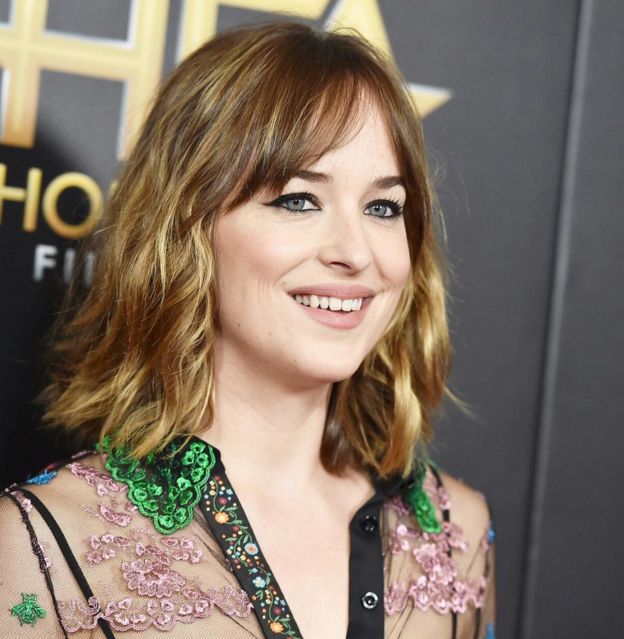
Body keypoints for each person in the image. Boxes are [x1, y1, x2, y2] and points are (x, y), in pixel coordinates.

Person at [0, 19, 496, 639]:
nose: (355, 252)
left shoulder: (453, 534)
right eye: (298, 200)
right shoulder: (39, 548)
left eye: (382, 207)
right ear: (188, 226)